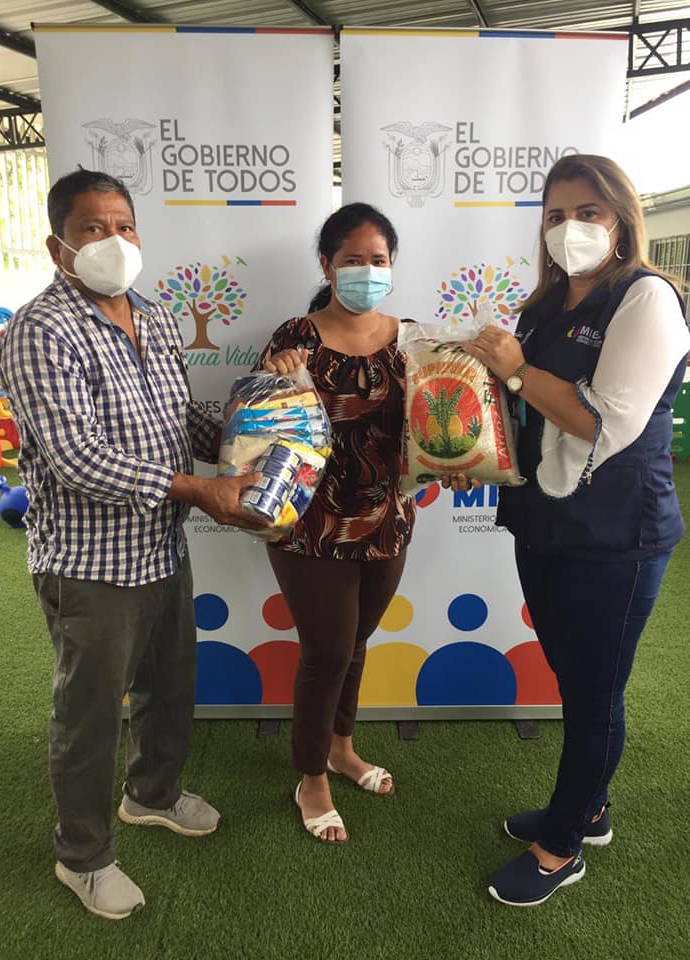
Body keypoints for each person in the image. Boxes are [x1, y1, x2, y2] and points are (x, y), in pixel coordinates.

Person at [0, 169, 266, 921]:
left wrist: (260, 428)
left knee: (169, 686)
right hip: (88, 564)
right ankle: (82, 855)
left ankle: (152, 794)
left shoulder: (155, 315)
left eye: (124, 225)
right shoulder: (39, 331)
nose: (113, 240)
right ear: (58, 245)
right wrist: (199, 490)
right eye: (92, 227)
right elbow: (76, 457)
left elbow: (179, 421)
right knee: (87, 715)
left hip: (160, 549)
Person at [462, 154, 690, 907]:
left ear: (622, 218)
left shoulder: (647, 298)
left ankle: (561, 847)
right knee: (575, 676)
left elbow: (603, 422)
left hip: (616, 533)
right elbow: (521, 412)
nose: (570, 229)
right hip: (545, 522)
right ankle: (588, 809)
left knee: (594, 694)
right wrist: (467, 449)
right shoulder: (544, 305)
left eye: (588, 212)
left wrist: (516, 370)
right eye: (556, 216)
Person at [257, 203, 418, 844]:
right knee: (326, 652)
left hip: (387, 517)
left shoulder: (413, 340)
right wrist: (272, 384)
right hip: (308, 521)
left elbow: (434, 426)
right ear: (327, 265)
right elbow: (260, 432)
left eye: (378, 260)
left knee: (354, 644)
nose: (367, 271)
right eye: (353, 259)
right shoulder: (295, 338)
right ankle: (311, 778)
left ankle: (342, 748)